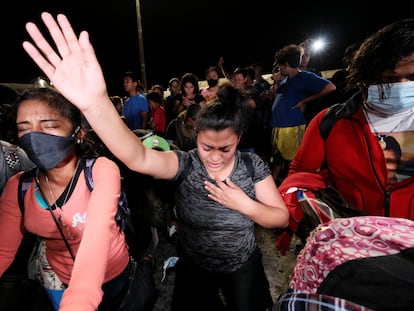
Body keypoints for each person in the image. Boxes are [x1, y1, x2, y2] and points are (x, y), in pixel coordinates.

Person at [22, 12, 290, 311]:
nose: (214, 157)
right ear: (195, 135)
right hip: (195, 265)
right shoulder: (186, 163)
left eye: (224, 148)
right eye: (205, 146)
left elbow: (280, 217)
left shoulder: (252, 166)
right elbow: (138, 156)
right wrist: (95, 104)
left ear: (238, 139)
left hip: (242, 266)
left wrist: (245, 205)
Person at [273, 18, 414, 254]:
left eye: (412, 78)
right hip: (354, 247)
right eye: (390, 79)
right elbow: (300, 173)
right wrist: (302, 205)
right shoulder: (331, 123)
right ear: (365, 76)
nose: (403, 86)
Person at [0, 86, 131, 311]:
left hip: (111, 272)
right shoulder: (18, 188)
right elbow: (3, 250)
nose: (34, 137)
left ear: (78, 132)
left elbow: (97, 238)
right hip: (58, 278)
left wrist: (79, 300)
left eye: (49, 125)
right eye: (25, 129)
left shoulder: (100, 171)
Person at [270, 44, 336, 184]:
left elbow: (331, 87)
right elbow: (276, 96)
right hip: (278, 125)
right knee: (277, 157)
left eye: (280, 65)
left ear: (286, 64)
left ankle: (294, 185)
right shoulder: (286, 79)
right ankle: (274, 183)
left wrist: (305, 101)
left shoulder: (305, 77)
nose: (279, 69)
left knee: (293, 160)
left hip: (292, 126)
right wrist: (276, 82)